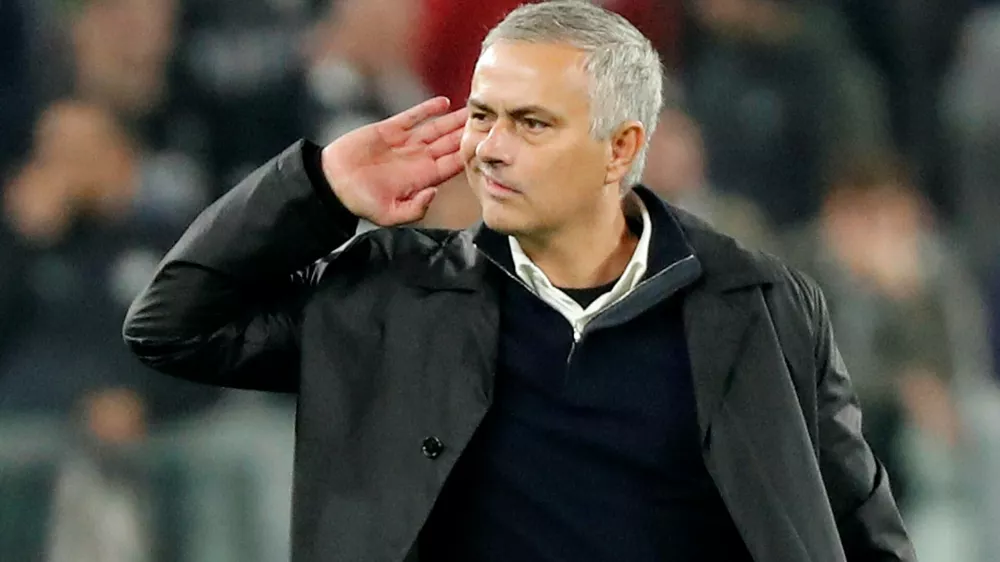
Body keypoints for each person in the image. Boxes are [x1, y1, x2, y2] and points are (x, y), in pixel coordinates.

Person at [124, 2, 915, 561]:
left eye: (531, 123)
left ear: (619, 148)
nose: (490, 149)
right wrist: (320, 187)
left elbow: (864, 531)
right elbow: (174, 325)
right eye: (481, 116)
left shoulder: (763, 309)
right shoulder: (393, 301)